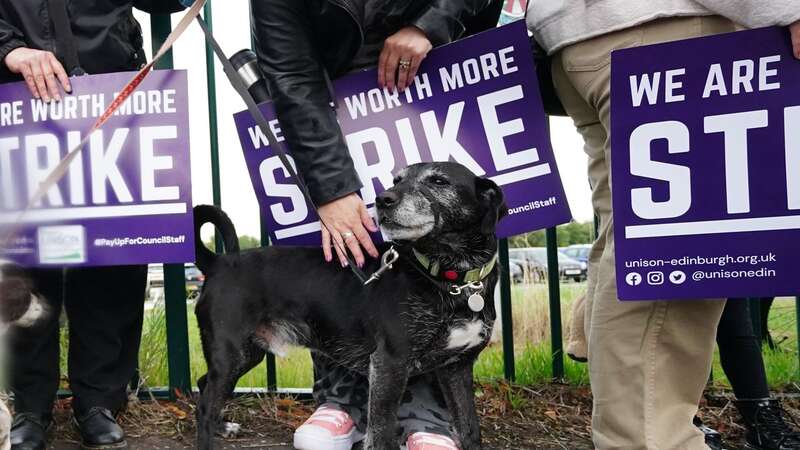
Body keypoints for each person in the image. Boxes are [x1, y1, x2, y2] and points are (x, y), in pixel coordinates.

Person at [526, 2, 800, 449]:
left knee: (634, 239)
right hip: (660, 26)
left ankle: (632, 430)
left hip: (581, 40)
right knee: (680, 264)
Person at [251, 1, 502, 449]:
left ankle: (425, 412)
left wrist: (429, 25)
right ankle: (342, 397)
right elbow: (293, 77)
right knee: (337, 244)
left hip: (438, 73)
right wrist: (330, 188)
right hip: (332, 91)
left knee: (444, 248)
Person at [0, 1, 186, 449]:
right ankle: (27, 405)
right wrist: (9, 49)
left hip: (113, 86)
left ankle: (100, 401)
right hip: (16, 93)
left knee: (113, 252)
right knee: (24, 263)